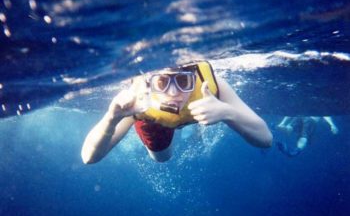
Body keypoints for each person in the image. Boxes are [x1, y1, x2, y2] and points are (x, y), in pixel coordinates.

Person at [81, 61, 273, 163]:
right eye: (162, 82)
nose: (173, 94)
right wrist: (111, 119)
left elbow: (265, 139)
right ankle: (189, 126)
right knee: (162, 158)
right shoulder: (138, 99)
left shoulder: (212, 85)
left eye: (183, 82)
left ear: (195, 78)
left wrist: (227, 112)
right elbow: (88, 158)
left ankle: (198, 124)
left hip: (206, 108)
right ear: (149, 82)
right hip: (156, 120)